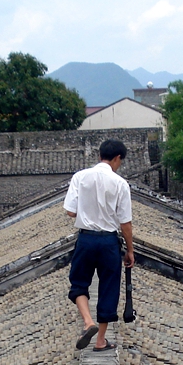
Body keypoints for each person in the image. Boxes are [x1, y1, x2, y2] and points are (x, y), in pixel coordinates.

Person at [64, 139, 134, 351]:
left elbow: (70, 211)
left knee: (79, 282)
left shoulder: (80, 177)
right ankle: (101, 340)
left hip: (86, 239)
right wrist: (130, 250)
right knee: (108, 288)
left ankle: (88, 322)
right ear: (117, 158)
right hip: (108, 242)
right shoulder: (120, 184)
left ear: (99, 155)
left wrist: (88, 210)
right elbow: (125, 223)